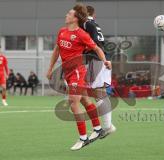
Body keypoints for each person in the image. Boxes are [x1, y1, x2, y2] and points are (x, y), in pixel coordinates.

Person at [46, 4, 111, 151]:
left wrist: (105, 61)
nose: (66, 15)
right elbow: (57, 50)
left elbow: (96, 48)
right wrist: (50, 68)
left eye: (69, 14)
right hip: (67, 72)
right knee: (84, 100)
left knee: (73, 102)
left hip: (77, 71)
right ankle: (98, 128)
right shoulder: (62, 31)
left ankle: (83, 138)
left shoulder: (81, 34)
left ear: (75, 18)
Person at [80, 5, 116, 137]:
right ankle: (107, 126)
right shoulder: (93, 24)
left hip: (98, 60)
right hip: (100, 59)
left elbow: (94, 43)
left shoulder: (85, 23)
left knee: (99, 93)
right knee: (97, 92)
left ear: (87, 13)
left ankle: (107, 127)